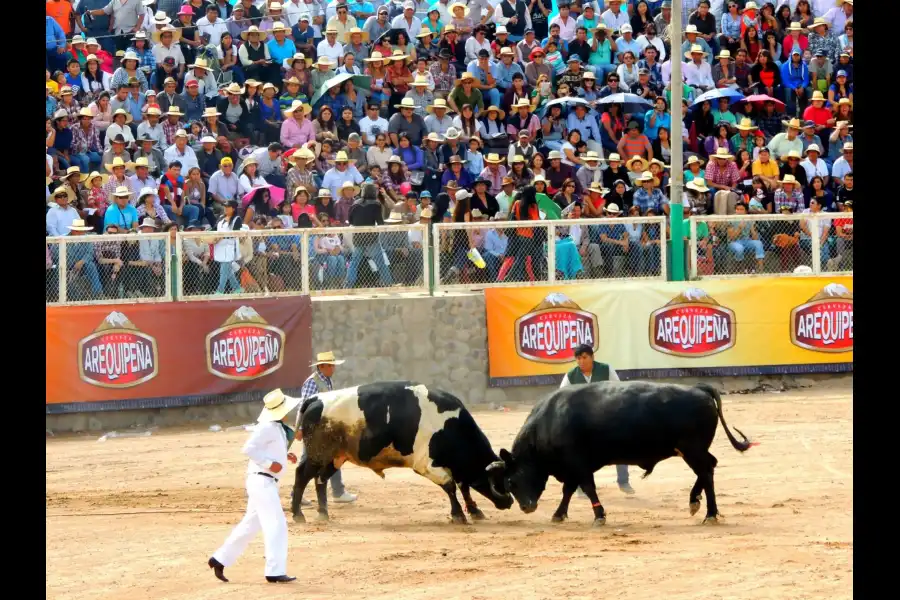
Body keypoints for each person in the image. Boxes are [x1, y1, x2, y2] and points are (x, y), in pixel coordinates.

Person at [208, 388, 299, 584]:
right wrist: (268, 463)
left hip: (264, 481)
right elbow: (248, 448)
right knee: (276, 524)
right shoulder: (267, 427)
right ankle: (274, 571)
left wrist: (284, 456)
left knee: (250, 524)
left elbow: (268, 450)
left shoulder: (275, 427)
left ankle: (219, 559)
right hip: (262, 480)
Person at [559, 343, 633, 496]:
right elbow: (561, 398)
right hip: (584, 422)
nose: (581, 361)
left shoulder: (606, 370)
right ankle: (580, 486)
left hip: (606, 417)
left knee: (620, 444)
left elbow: (620, 391)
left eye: (584, 357)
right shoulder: (571, 376)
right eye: (578, 358)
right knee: (578, 452)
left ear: (592, 357)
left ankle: (623, 481)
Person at [293, 351, 359, 506]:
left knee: (334, 455)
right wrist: (300, 427)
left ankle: (338, 491)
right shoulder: (313, 382)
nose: (333, 368)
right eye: (331, 366)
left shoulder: (325, 380)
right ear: (323, 366)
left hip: (325, 427)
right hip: (315, 428)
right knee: (308, 459)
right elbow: (304, 405)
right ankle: (297, 493)